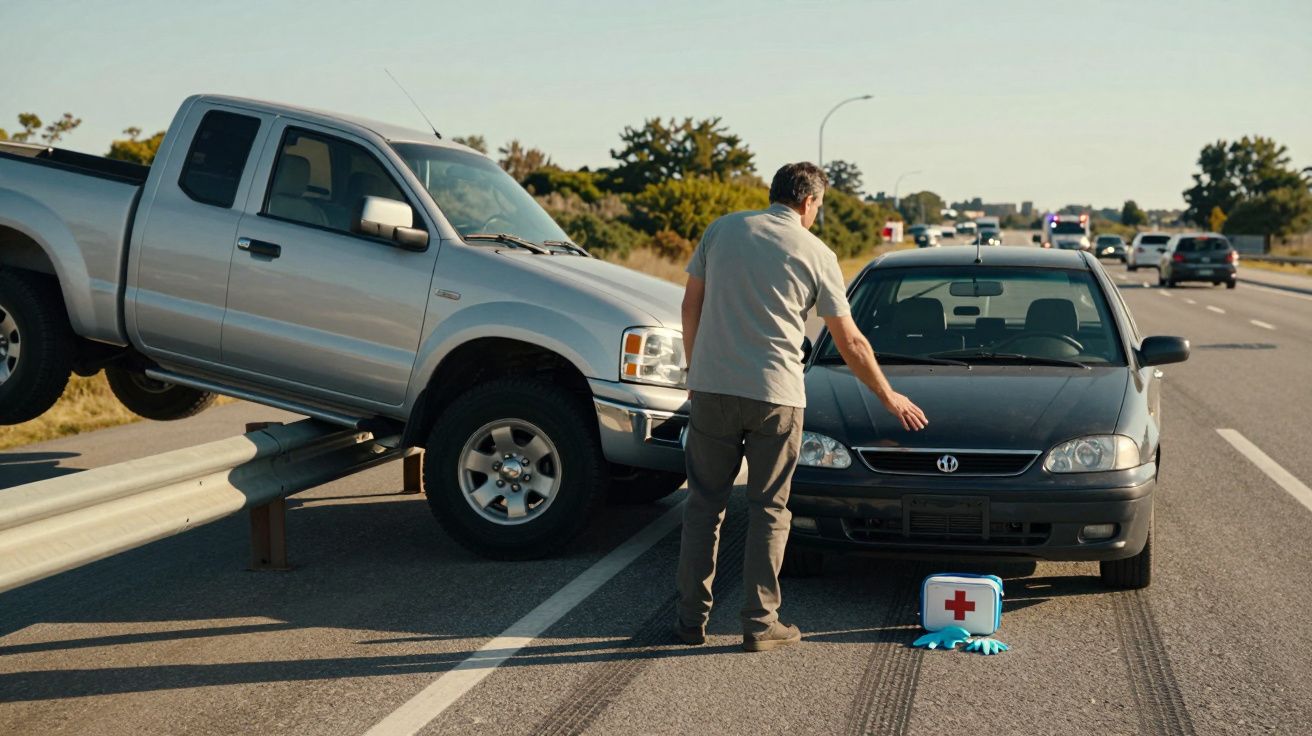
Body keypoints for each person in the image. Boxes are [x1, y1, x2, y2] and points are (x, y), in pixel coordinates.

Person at [675, 162, 928, 652]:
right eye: (819, 208)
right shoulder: (817, 252)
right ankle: (759, 623)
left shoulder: (722, 230)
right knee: (769, 508)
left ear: (774, 194)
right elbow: (849, 340)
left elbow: (691, 304)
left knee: (703, 505)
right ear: (809, 202)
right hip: (776, 397)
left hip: (711, 391)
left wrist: (695, 370)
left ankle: (689, 620)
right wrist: (888, 395)